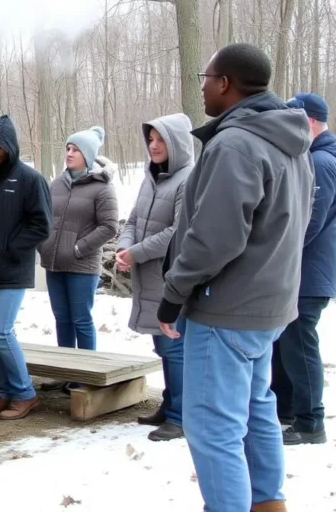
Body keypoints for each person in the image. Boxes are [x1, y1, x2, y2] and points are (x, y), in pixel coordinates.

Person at [158, 43, 313, 512]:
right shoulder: (288, 139)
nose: (201, 86)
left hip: (226, 307)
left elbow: (215, 238)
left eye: (206, 77)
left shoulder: (236, 143)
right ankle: (268, 503)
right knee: (256, 408)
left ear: (225, 83)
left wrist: (175, 291)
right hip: (268, 304)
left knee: (212, 426)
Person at [272, 92, 336, 446]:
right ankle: (288, 410)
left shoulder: (320, 162)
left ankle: (311, 422)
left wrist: (273, 251)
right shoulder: (313, 158)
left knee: (300, 347)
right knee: (288, 346)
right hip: (302, 272)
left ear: (310, 122)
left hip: (309, 274)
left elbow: (308, 222)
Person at [116, 113, 194, 442]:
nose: (154, 145)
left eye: (161, 139)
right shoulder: (152, 177)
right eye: (150, 139)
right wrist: (124, 246)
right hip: (148, 276)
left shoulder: (188, 179)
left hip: (171, 276)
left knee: (174, 348)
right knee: (162, 347)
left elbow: (179, 232)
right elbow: (133, 218)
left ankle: (181, 416)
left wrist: (138, 252)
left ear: (176, 142)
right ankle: (169, 404)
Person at [0, 115, 52, 420]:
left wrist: (11, 246)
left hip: (12, 269)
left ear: (10, 147)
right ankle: (5, 392)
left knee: (2, 331)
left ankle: (25, 393)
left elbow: (42, 225)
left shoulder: (30, 180)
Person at [39, 126, 119, 359]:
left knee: (81, 320)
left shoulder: (102, 187)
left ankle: (86, 376)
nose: (69, 153)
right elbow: (44, 217)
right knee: (61, 320)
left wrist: (78, 249)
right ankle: (66, 371)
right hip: (54, 264)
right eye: (68, 148)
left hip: (82, 267)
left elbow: (110, 226)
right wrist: (43, 244)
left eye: (76, 149)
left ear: (88, 154)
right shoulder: (56, 184)